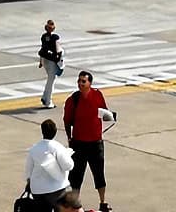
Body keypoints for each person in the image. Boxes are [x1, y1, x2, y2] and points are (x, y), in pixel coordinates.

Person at [63, 71, 111, 212]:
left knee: (99, 175)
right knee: (76, 177)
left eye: (83, 81)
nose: (80, 83)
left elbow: (104, 111)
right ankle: (74, 206)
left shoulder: (97, 95)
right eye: (79, 81)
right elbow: (67, 121)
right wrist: (69, 137)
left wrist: (109, 116)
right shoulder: (73, 99)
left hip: (96, 143)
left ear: (90, 83)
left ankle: (103, 202)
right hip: (79, 143)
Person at [26, 119, 75, 209]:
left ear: (42, 131)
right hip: (56, 190)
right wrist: (68, 156)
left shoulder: (34, 149)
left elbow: (28, 171)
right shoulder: (57, 147)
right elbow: (68, 166)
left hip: (37, 190)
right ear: (55, 132)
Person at [39, 19, 63, 109]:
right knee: (51, 81)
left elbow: (42, 48)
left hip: (45, 59)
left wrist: (40, 61)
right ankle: (48, 101)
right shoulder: (55, 37)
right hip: (51, 61)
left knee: (50, 79)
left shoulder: (43, 36)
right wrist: (59, 60)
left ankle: (45, 97)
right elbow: (58, 50)